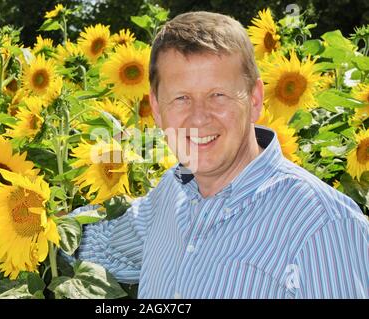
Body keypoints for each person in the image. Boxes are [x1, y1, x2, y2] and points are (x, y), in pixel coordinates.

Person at [67, 11, 369, 298]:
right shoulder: (172, 193)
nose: (199, 118)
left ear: (255, 100)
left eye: (218, 95)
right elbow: (100, 243)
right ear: (157, 109)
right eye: (181, 98)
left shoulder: (323, 226)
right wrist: (39, 218)